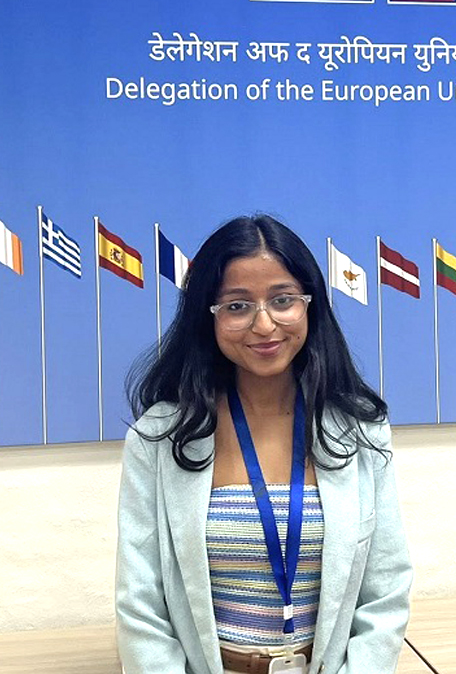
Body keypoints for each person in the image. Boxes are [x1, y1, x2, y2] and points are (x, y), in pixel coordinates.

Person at [116, 214, 412, 674]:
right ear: (208, 317)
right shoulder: (160, 436)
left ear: (309, 306)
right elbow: (141, 605)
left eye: (283, 300)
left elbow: (385, 591)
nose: (264, 324)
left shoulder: (360, 430)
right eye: (237, 306)